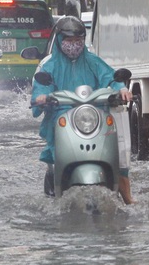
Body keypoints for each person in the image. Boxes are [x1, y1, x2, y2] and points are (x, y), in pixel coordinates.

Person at [31, 16, 135, 204]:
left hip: (94, 116)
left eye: (78, 41)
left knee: (119, 154)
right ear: (60, 41)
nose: (74, 45)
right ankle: (57, 190)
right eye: (69, 41)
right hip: (62, 117)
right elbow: (41, 87)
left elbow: (110, 78)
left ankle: (128, 199)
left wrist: (121, 88)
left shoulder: (93, 61)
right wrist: (42, 97)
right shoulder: (49, 65)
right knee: (55, 153)